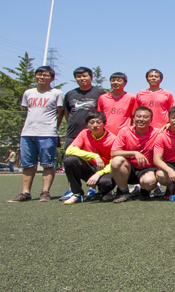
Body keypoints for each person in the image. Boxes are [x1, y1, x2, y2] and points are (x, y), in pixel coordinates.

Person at [8, 66, 64, 203]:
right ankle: (25, 193)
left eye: (45, 75)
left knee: (47, 164)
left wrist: (53, 128)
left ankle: (45, 192)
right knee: (27, 164)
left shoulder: (57, 93)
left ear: (52, 78)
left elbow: (60, 113)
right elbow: (28, 111)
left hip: (47, 134)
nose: (41, 77)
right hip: (27, 133)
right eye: (39, 74)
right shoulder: (28, 93)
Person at [61, 111, 117, 204]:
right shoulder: (84, 133)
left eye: (98, 122)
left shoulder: (112, 139)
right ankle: (77, 194)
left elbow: (114, 162)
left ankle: (105, 192)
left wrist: (99, 174)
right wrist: (94, 156)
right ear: (87, 125)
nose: (95, 125)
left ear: (104, 124)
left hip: (105, 171)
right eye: (91, 123)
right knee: (70, 160)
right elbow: (69, 150)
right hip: (89, 168)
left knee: (106, 183)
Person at [110, 107, 159, 203]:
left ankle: (144, 191)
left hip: (147, 168)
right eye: (138, 116)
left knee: (149, 182)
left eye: (145, 117)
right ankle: (124, 192)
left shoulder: (157, 133)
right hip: (129, 168)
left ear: (151, 119)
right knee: (116, 161)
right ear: (133, 118)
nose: (141, 119)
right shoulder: (124, 131)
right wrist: (134, 153)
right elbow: (113, 153)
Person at [62, 67, 107, 159]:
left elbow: (103, 113)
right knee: (69, 159)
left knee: (93, 160)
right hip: (73, 133)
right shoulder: (70, 94)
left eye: (84, 76)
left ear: (91, 77)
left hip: (93, 134)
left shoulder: (100, 93)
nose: (82, 78)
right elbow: (67, 113)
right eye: (78, 76)